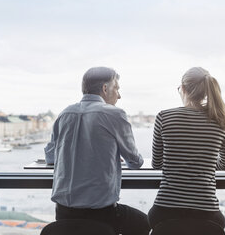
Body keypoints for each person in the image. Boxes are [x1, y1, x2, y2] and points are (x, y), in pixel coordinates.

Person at [44, 67, 150, 235]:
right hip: (100, 214)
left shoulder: (65, 113)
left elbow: (50, 157)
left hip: (63, 213)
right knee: (144, 223)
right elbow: (135, 162)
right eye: (117, 88)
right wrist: (112, 155)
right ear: (105, 89)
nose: (119, 95)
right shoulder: (114, 114)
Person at [148, 67, 225, 230]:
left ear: (184, 88)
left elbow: (157, 164)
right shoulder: (220, 122)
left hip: (165, 212)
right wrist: (205, 162)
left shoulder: (164, 117)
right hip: (208, 215)